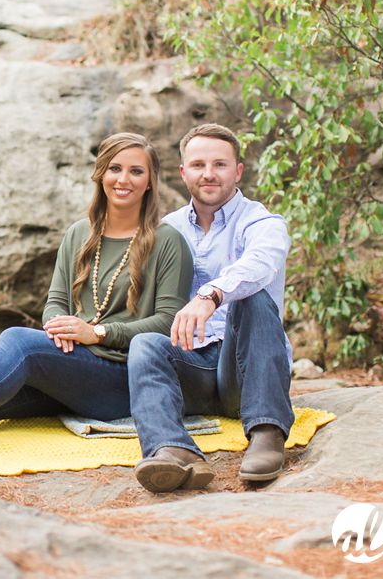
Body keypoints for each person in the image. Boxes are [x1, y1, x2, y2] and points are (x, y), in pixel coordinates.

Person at [0, 133, 194, 440]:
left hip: (126, 380)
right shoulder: (79, 234)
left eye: (136, 171)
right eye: (114, 168)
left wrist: (95, 333)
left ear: (150, 181)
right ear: (100, 174)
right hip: (76, 369)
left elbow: (168, 323)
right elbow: (56, 302)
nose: (123, 179)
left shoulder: (168, 241)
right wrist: (60, 330)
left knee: (19, 342)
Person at [129, 123, 294, 492]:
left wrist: (211, 295)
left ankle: (267, 431)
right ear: (183, 172)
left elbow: (261, 263)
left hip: (244, 371)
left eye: (220, 164)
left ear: (238, 171)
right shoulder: (166, 228)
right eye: (199, 164)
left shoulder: (261, 221)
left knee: (251, 294)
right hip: (193, 368)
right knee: (146, 344)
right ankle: (172, 450)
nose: (209, 174)